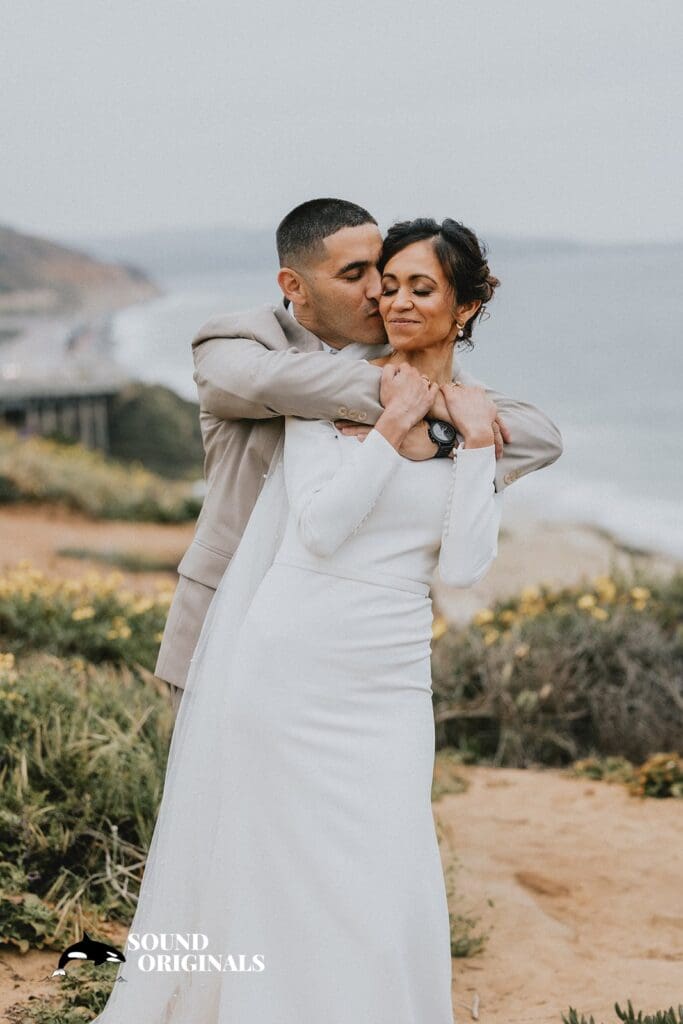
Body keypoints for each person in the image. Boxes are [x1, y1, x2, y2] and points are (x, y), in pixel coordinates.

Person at [91, 214, 561, 1023]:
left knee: (386, 862)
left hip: (388, 676)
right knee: (262, 859)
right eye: (376, 280)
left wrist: (472, 434)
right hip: (280, 649)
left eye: (416, 286)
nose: (389, 295)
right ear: (297, 283)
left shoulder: (467, 414)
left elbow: (464, 561)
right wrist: (388, 414)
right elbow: (321, 523)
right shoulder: (299, 379)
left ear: (465, 308)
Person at [154, 199, 563, 718]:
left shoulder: (408, 373)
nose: (379, 292)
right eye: (355, 275)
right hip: (226, 617)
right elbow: (271, 381)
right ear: (294, 286)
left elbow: (540, 436)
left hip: (344, 645)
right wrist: (425, 406)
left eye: (381, 270)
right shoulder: (239, 342)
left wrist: (436, 437)